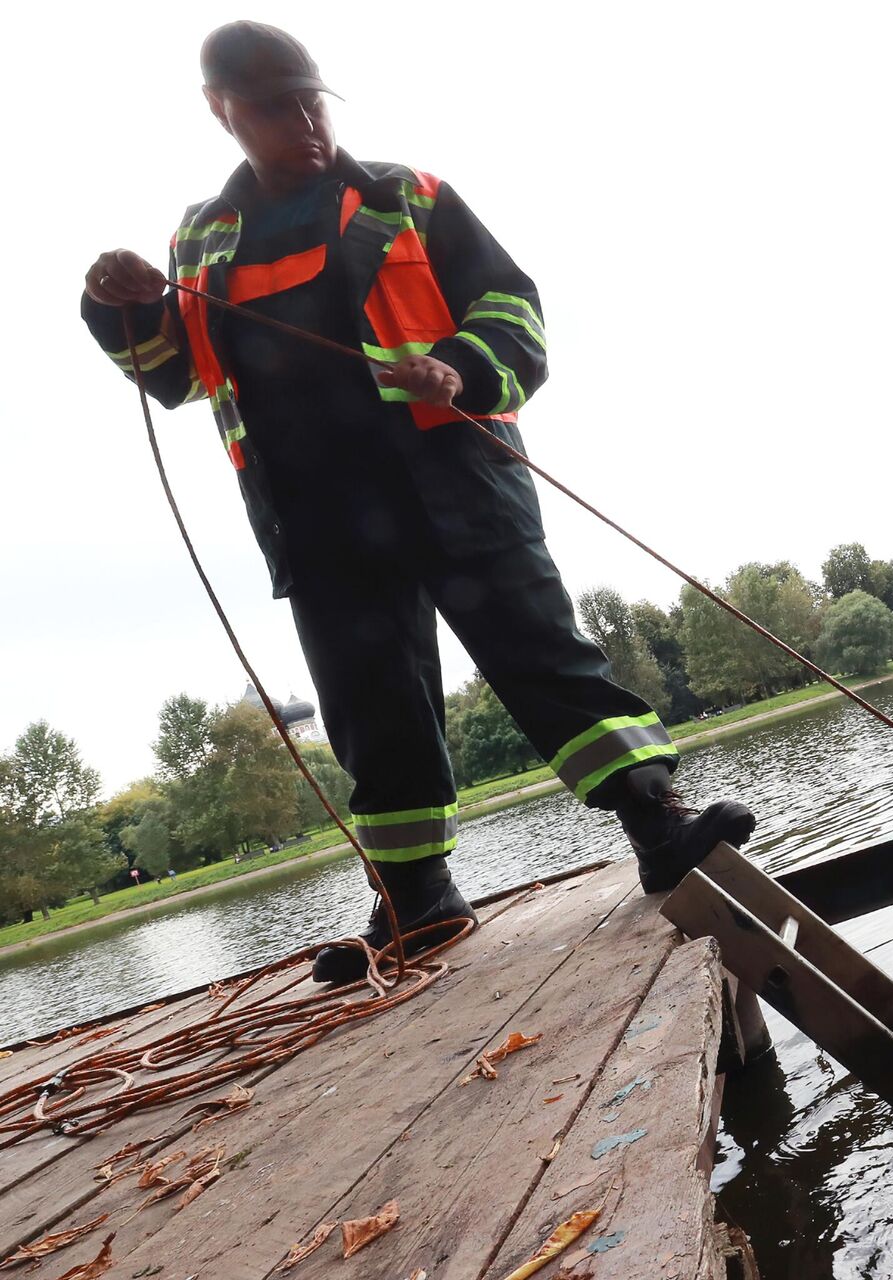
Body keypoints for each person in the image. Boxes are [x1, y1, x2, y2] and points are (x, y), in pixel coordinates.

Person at [81, 21, 752, 983]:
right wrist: (122, 307)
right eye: (276, 106)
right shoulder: (201, 237)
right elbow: (175, 374)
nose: (305, 122)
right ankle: (417, 903)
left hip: (452, 485)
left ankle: (658, 824)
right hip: (313, 518)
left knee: (544, 656)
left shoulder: (409, 197)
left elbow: (515, 309)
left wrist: (464, 368)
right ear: (220, 110)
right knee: (372, 712)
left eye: (313, 100)